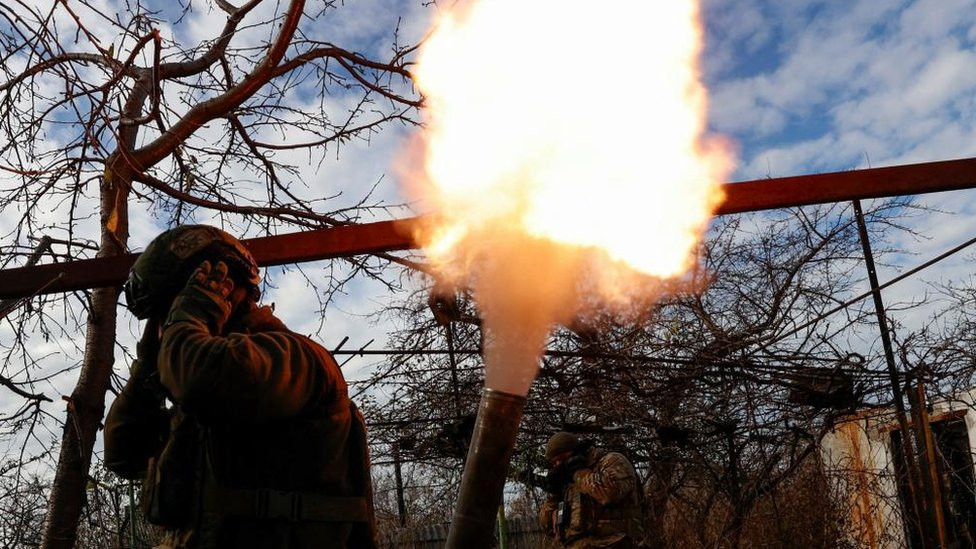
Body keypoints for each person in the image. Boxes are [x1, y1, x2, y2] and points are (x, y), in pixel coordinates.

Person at [104, 225, 376, 549]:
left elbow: (200, 380)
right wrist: (147, 369)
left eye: (172, 312)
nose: (165, 329)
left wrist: (190, 319)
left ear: (223, 288)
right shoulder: (205, 394)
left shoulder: (293, 357)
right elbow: (123, 454)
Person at [539, 431, 644, 548]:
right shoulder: (566, 484)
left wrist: (579, 473)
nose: (559, 465)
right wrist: (553, 493)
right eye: (554, 463)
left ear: (577, 452)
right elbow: (547, 528)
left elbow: (608, 493)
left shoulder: (611, 461)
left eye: (563, 459)